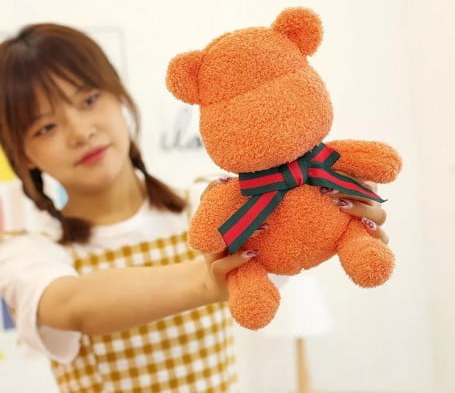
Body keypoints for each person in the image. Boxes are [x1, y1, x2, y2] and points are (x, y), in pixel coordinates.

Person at [0, 23, 390, 392]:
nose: (81, 132)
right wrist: (206, 282)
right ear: (24, 154)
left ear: (118, 96)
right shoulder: (27, 252)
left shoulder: (207, 205)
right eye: (45, 127)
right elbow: (71, 305)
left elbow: (289, 239)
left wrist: (336, 208)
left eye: (88, 100)